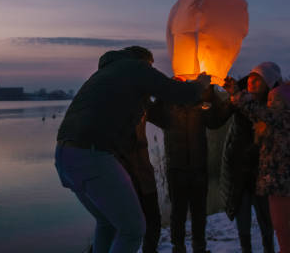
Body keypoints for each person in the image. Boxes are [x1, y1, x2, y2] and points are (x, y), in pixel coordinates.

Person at [55, 46, 212, 253]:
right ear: (145, 62)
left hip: (64, 156)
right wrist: (200, 84)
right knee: (133, 230)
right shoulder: (136, 67)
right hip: (92, 155)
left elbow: (156, 111)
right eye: (150, 67)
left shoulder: (106, 74)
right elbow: (182, 93)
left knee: (108, 223)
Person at [146, 79, 232, 253]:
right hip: (176, 169)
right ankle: (178, 248)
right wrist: (162, 92)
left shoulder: (201, 102)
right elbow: (151, 113)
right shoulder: (167, 105)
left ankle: (199, 247)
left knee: (199, 212)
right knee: (178, 213)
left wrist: (211, 93)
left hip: (198, 168)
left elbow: (216, 121)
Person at [231, 82, 290, 253]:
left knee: (280, 225)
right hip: (275, 181)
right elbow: (254, 114)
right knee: (280, 224)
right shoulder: (276, 122)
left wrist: (238, 94)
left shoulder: (287, 119)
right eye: (270, 100)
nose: (272, 103)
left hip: (283, 182)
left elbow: (258, 111)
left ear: (287, 103)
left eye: (277, 100)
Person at [219, 62, 283, 253]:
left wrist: (237, 95)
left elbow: (259, 114)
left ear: (269, 85)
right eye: (252, 77)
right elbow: (214, 120)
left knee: (267, 220)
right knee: (243, 219)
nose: (252, 81)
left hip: (263, 175)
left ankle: (268, 248)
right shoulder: (238, 100)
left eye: (258, 79)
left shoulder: (274, 107)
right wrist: (210, 96)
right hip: (240, 173)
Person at [118, 110, 162, 253]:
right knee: (126, 227)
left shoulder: (143, 106)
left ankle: (150, 250)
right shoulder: (113, 111)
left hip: (145, 176)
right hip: (125, 179)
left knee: (153, 221)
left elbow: (164, 119)